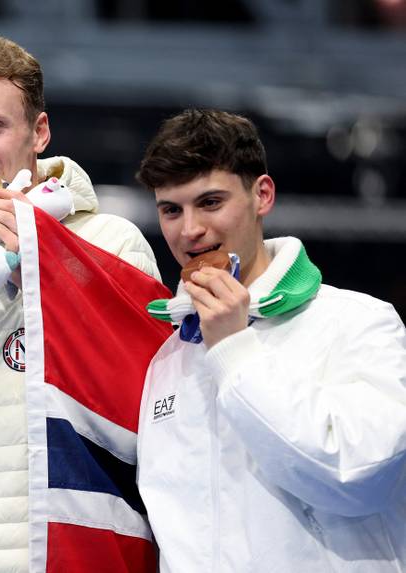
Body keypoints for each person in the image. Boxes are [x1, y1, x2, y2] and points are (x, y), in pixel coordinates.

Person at [0, 36, 162, 572]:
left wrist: (40, 264)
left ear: (39, 132)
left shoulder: (111, 243)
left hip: (66, 559)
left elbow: (147, 418)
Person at [135, 108, 406, 571]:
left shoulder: (359, 322)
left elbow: (355, 477)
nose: (189, 230)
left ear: (262, 195)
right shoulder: (167, 359)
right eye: (171, 210)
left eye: (211, 202)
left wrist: (234, 349)